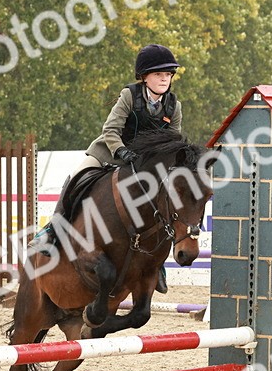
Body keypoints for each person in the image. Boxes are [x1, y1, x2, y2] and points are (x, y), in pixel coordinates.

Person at [32, 44, 183, 292]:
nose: (164, 79)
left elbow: (173, 141)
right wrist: (121, 150)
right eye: (159, 74)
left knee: (168, 201)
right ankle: (51, 232)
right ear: (144, 76)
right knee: (75, 178)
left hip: (145, 165)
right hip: (110, 153)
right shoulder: (129, 96)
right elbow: (110, 130)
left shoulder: (173, 106)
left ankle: (157, 263)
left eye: (168, 75)